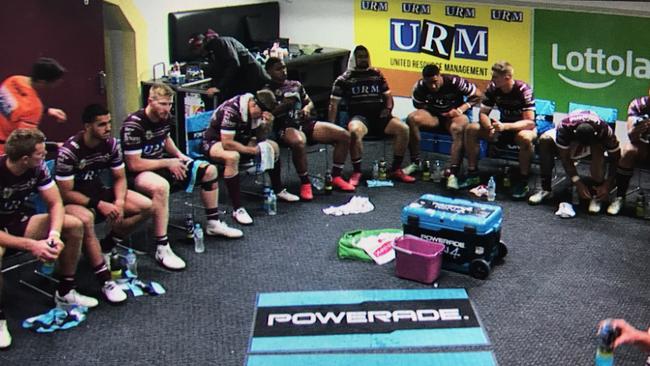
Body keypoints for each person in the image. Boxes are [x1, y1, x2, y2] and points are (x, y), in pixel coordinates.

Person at [121, 83, 243, 271]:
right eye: (162, 104)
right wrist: (168, 163)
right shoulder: (133, 124)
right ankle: (162, 247)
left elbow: (165, 138)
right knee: (161, 187)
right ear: (150, 101)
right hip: (138, 174)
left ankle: (213, 223)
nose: (167, 108)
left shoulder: (164, 117)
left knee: (209, 170)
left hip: (162, 164)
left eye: (169, 104)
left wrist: (179, 156)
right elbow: (134, 164)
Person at [0, 129, 98, 349]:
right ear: (25, 159)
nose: (45, 158)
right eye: (41, 155)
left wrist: (53, 235)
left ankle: (65, 292)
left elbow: (55, 203)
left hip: (18, 221)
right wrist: (32, 245)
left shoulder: (37, 168)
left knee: (73, 225)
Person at [55, 104, 154, 303]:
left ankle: (107, 245)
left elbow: (119, 178)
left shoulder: (111, 144)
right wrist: (98, 204)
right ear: (87, 126)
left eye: (109, 123)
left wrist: (118, 201)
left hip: (100, 193)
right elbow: (66, 193)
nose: (108, 128)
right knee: (87, 219)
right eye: (101, 124)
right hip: (74, 200)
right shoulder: (69, 151)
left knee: (146, 206)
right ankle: (106, 280)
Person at [202, 89, 300, 225]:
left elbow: (260, 138)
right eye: (260, 113)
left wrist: (266, 125)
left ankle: (278, 190)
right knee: (233, 157)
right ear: (253, 105)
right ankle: (238, 209)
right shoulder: (232, 109)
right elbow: (227, 143)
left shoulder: (257, 112)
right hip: (215, 141)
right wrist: (251, 151)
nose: (260, 116)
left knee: (273, 147)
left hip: (241, 138)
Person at [263, 57, 355, 200]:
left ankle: (336, 176)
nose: (283, 71)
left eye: (284, 68)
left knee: (343, 135)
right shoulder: (266, 91)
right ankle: (305, 183)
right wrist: (284, 106)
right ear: (269, 71)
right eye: (278, 69)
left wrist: (306, 108)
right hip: (284, 127)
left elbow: (309, 102)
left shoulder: (295, 85)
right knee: (298, 142)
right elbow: (267, 115)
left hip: (305, 123)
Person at [327, 45, 415, 186]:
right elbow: (333, 104)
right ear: (354, 59)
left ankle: (396, 169)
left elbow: (388, 96)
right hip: (360, 117)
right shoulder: (344, 79)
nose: (363, 59)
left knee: (403, 128)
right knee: (354, 131)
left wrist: (388, 108)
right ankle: (357, 171)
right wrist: (331, 127)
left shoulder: (376, 74)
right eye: (360, 57)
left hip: (379, 116)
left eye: (365, 56)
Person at [465, 61, 536, 198]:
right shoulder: (493, 88)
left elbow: (529, 122)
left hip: (520, 127)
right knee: (472, 128)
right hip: (502, 126)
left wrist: (505, 127)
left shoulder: (524, 90)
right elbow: (483, 113)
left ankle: (523, 180)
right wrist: (489, 127)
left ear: (507, 78)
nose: (492, 79)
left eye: (495, 77)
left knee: (526, 137)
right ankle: (472, 173)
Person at [404, 64, 482, 188]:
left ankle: (453, 173)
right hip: (435, 116)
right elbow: (418, 104)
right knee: (412, 118)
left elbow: (478, 95)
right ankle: (415, 162)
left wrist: (460, 109)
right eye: (429, 83)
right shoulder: (420, 86)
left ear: (440, 76)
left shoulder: (454, 81)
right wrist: (435, 111)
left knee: (457, 128)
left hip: (455, 115)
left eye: (435, 82)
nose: (433, 86)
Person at [528, 110, 620, 214]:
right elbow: (566, 159)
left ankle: (596, 194)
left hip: (595, 139)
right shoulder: (564, 127)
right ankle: (546, 189)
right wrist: (578, 183)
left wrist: (607, 184)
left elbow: (616, 158)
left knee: (598, 148)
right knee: (545, 140)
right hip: (570, 136)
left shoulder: (604, 131)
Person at [0, 57, 67, 154]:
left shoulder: (13, 80)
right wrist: (56, 146)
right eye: (56, 81)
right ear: (43, 81)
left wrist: (47, 110)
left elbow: (17, 105)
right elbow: (25, 143)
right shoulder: (34, 108)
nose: (58, 82)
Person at [188, 29, 270, 101]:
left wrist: (219, 87)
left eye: (197, 47)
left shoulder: (219, 43)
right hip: (246, 80)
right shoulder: (211, 51)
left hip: (254, 79)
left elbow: (233, 64)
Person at [606, 92, 650, 215]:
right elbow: (632, 136)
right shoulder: (638, 104)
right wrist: (639, 128)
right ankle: (620, 197)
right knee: (628, 150)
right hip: (642, 144)